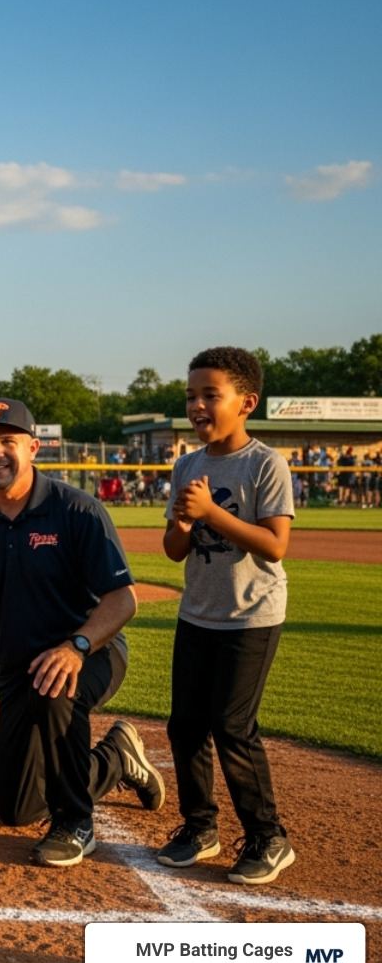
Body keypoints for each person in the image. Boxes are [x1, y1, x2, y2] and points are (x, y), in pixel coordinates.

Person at [0, 398, 165, 868]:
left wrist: (77, 646)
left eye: (8, 441)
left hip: (93, 651)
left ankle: (75, 824)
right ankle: (117, 758)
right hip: (20, 671)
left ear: (34, 448)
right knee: (18, 809)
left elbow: (123, 600)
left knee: (56, 683)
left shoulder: (77, 511)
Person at [158, 347, 296, 885]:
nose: (197, 405)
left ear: (246, 403)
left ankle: (268, 836)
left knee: (231, 727)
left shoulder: (266, 463)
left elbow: (275, 545)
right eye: (191, 396)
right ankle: (200, 827)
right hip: (199, 613)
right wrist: (186, 522)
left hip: (252, 616)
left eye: (209, 395)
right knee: (185, 726)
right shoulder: (187, 465)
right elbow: (174, 549)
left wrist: (211, 511)